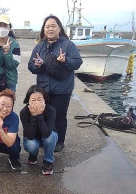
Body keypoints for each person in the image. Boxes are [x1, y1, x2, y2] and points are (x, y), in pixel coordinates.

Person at [28, 15, 83, 153]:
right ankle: (44, 138)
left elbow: (77, 62)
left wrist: (65, 61)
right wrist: (37, 65)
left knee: (59, 116)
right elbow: (31, 66)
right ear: (43, 30)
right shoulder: (39, 46)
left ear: (59, 28)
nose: (50, 29)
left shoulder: (69, 45)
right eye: (47, 26)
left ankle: (59, 141)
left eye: (53, 26)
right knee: (43, 114)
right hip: (43, 89)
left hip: (62, 89)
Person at [20, 85, 58, 175]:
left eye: (39, 99)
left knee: (50, 138)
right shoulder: (24, 112)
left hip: (48, 134)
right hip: (33, 137)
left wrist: (39, 115)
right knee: (31, 145)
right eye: (33, 100)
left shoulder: (51, 110)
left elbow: (46, 134)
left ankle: (48, 161)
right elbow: (29, 135)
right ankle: (33, 155)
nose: (36, 102)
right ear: (28, 101)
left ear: (44, 99)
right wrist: (33, 116)